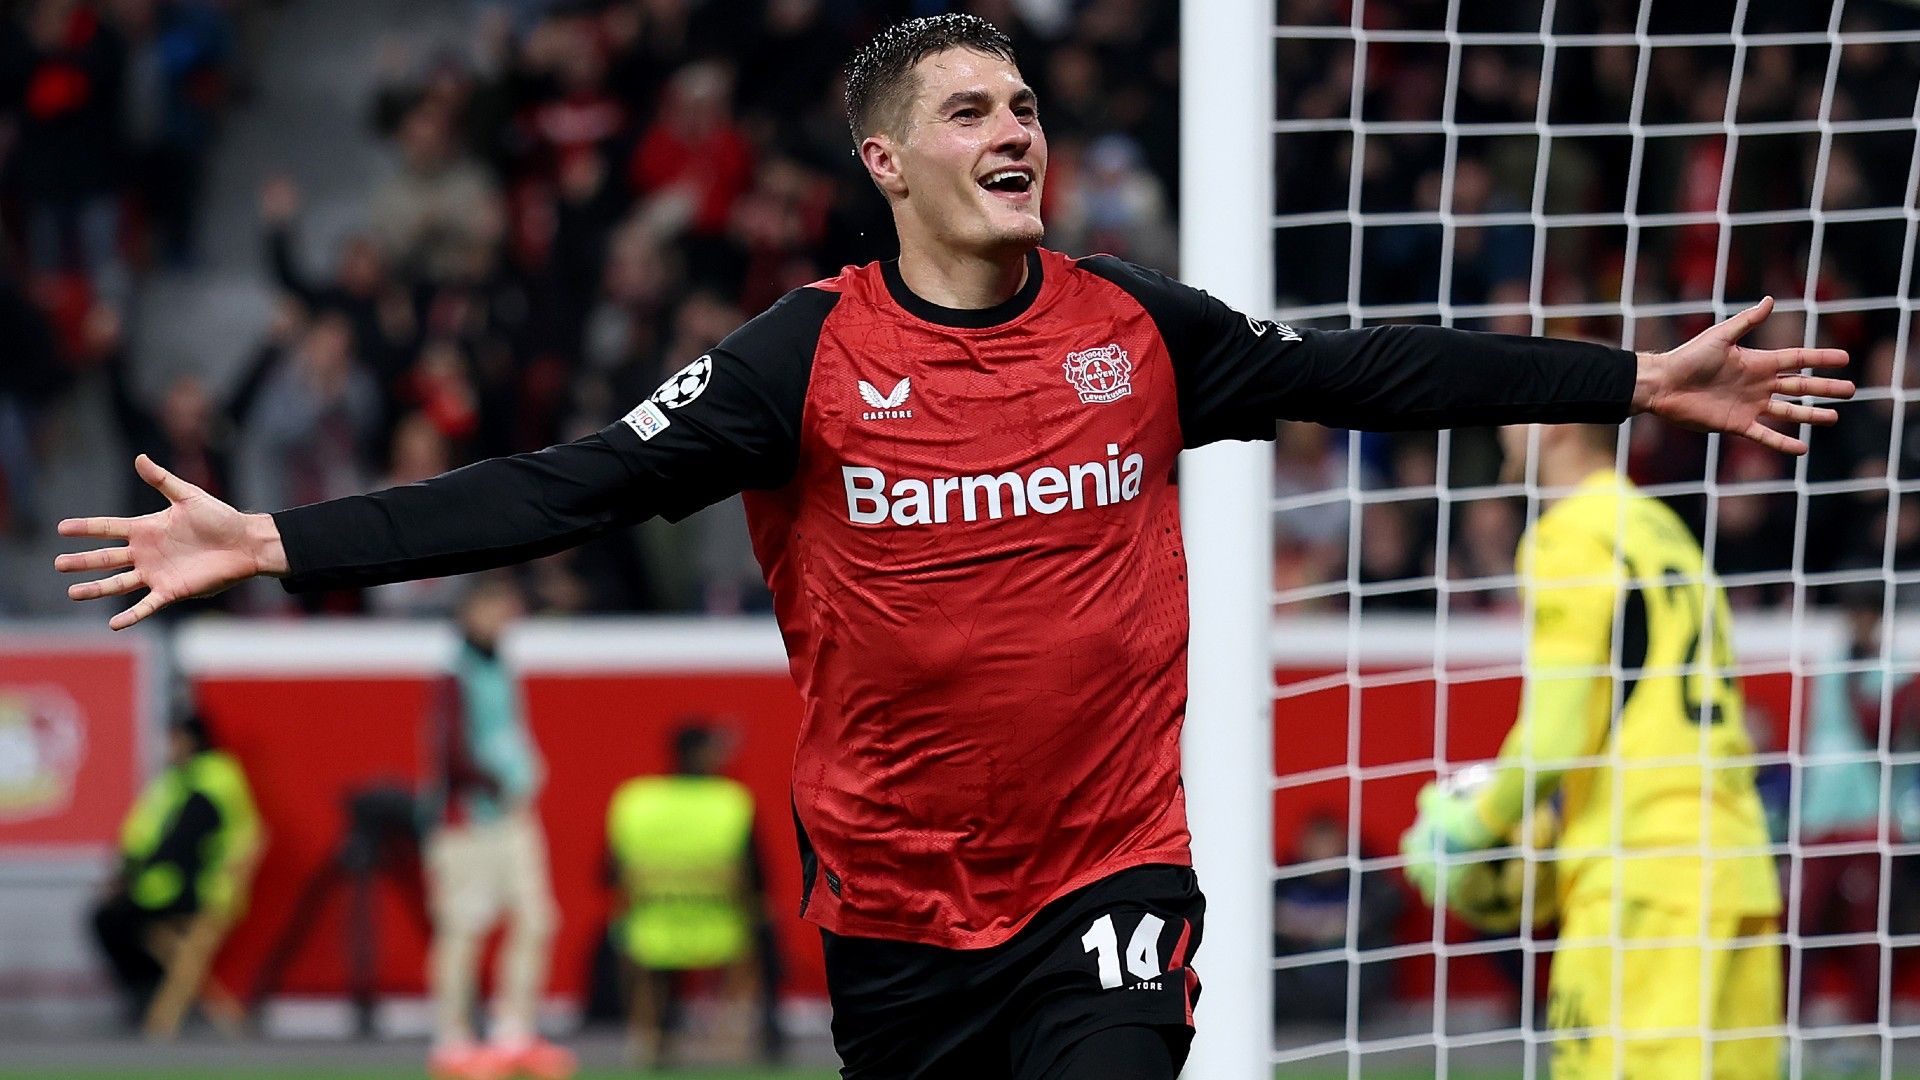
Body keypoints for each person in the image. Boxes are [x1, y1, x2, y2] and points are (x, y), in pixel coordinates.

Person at [56, 14, 1852, 1078]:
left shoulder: (1135, 332)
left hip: (1109, 885)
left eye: (1025, 105)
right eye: (974, 113)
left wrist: (1629, 380)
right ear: (888, 163)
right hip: (900, 911)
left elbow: (1362, 364)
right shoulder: (799, 360)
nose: (1018, 131)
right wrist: (279, 539)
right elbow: (568, 485)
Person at [1400, 422, 1785, 1079]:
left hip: (1641, 876)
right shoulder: (1665, 532)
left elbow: (1555, 734)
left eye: (1516, 415)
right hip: (1738, 871)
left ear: (1559, 427)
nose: (1500, 431)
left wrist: (1472, 829)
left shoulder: (1573, 531)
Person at [416, 577, 574, 1080]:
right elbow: (449, 755)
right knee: (462, 928)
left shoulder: (498, 665)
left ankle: (513, 1033)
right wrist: (496, 781)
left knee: (536, 919)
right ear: (469, 611)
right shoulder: (453, 674)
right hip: (467, 820)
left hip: (511, 815)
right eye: (493, 606)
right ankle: (453, 1042)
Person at [606, 721, 767, 1066]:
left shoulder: (635, 800)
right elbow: (757, 881)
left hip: (650, 931)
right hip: (721, 930)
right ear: (700, 754)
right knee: (765, 927)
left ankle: (646, 1034)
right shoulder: (731, 802)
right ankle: (733, 1038)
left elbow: (609, 876)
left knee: (620, 930)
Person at [90, 711, 260, 1027]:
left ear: (190, 740)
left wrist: (131, 879)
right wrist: (125, 871)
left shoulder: (212, 781)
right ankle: (151, 991)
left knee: (113, 920)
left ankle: (150, 994)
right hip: (166, 886)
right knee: (111, 918)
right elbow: (144, 834)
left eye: (173, 739)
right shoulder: (178, 778)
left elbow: (181, 845)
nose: (167, 747)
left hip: (198, 890)